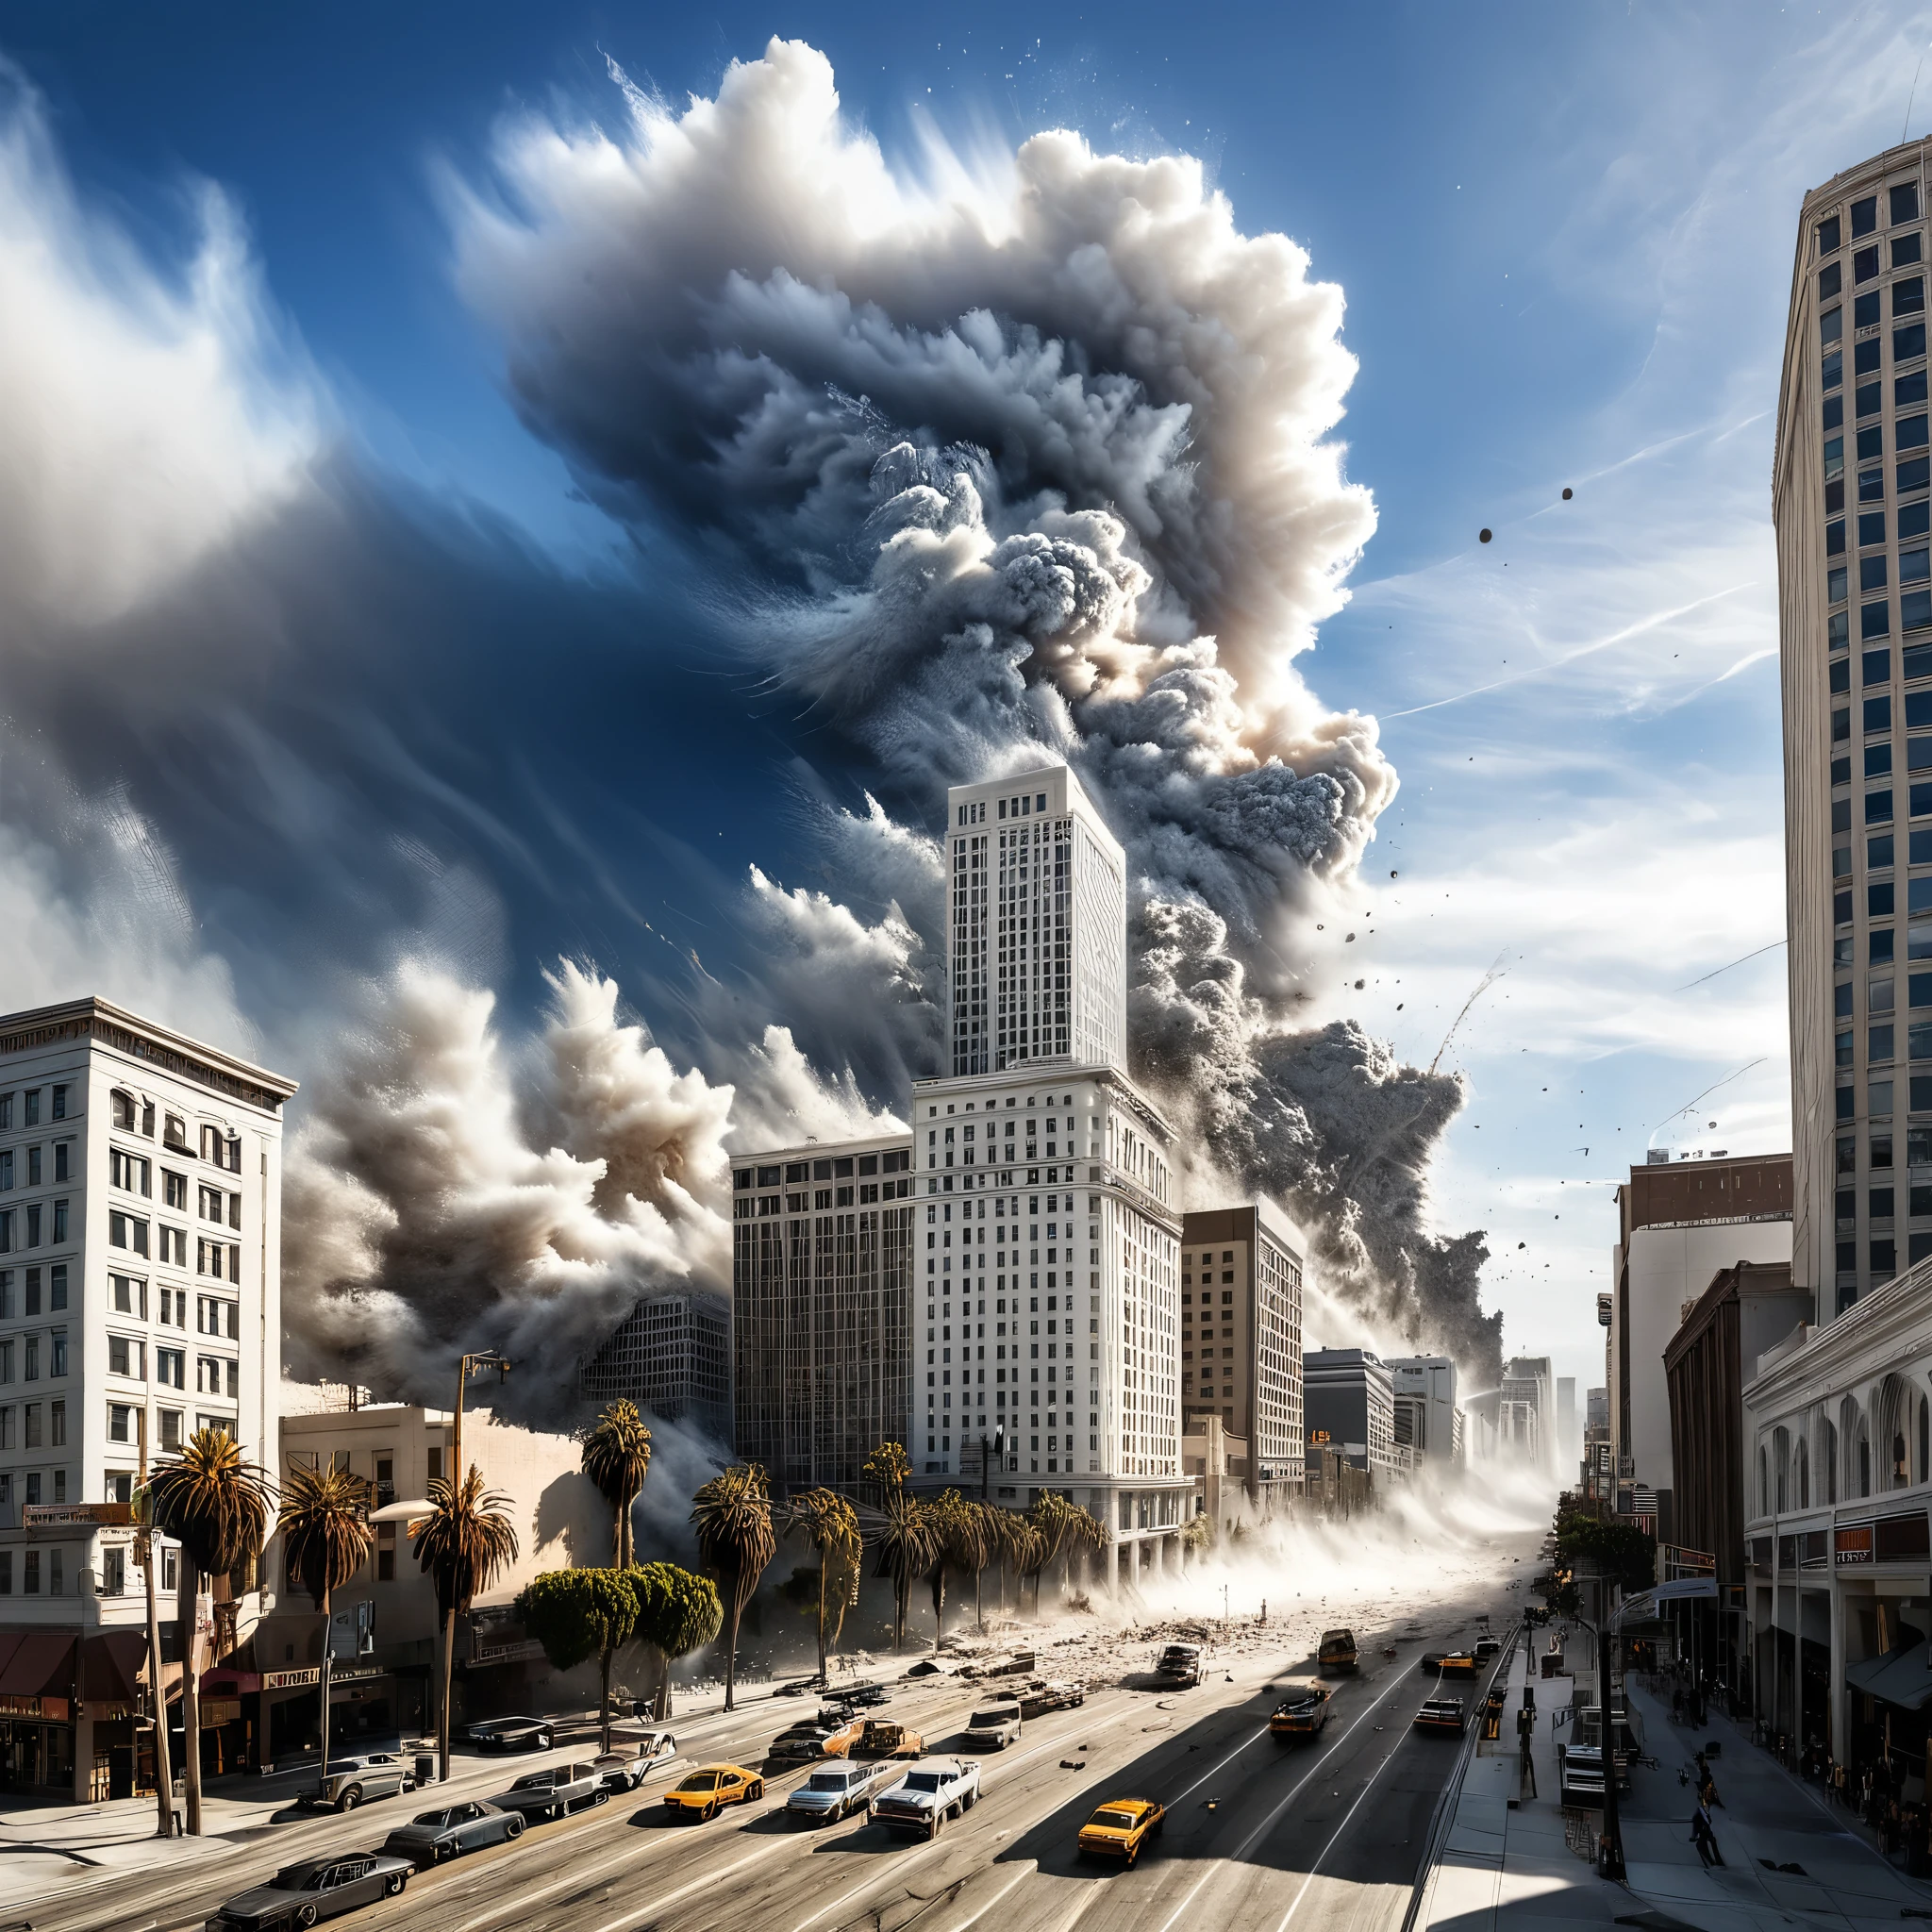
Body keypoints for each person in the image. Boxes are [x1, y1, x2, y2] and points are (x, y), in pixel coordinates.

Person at [1691, 1801, 1723, 1868]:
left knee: (1700, 1845)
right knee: (1708, 1844)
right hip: (1708, 1833)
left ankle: (1711, 1863)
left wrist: (1694, 1837)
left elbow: (1696, 1828)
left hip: (1705, 1833)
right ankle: (1716, 1862)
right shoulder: (1704, 1813)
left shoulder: (1699, 1814)